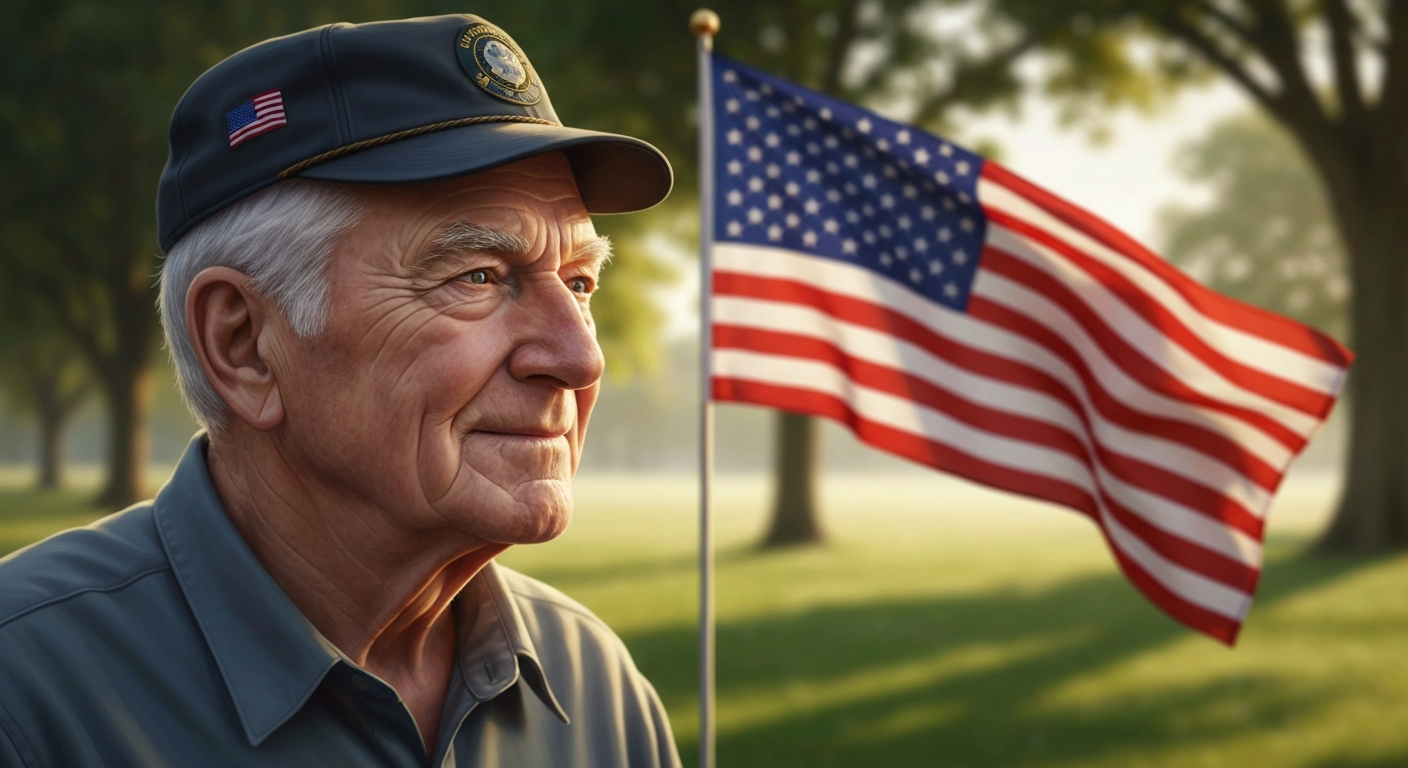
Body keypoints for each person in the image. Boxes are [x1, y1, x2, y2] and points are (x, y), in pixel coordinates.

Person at [0, 14, 678, 768]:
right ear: (244, 346)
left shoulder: (598, 693)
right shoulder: (27, 698)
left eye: (580, 282)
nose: (580, 356)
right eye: (478, 277)